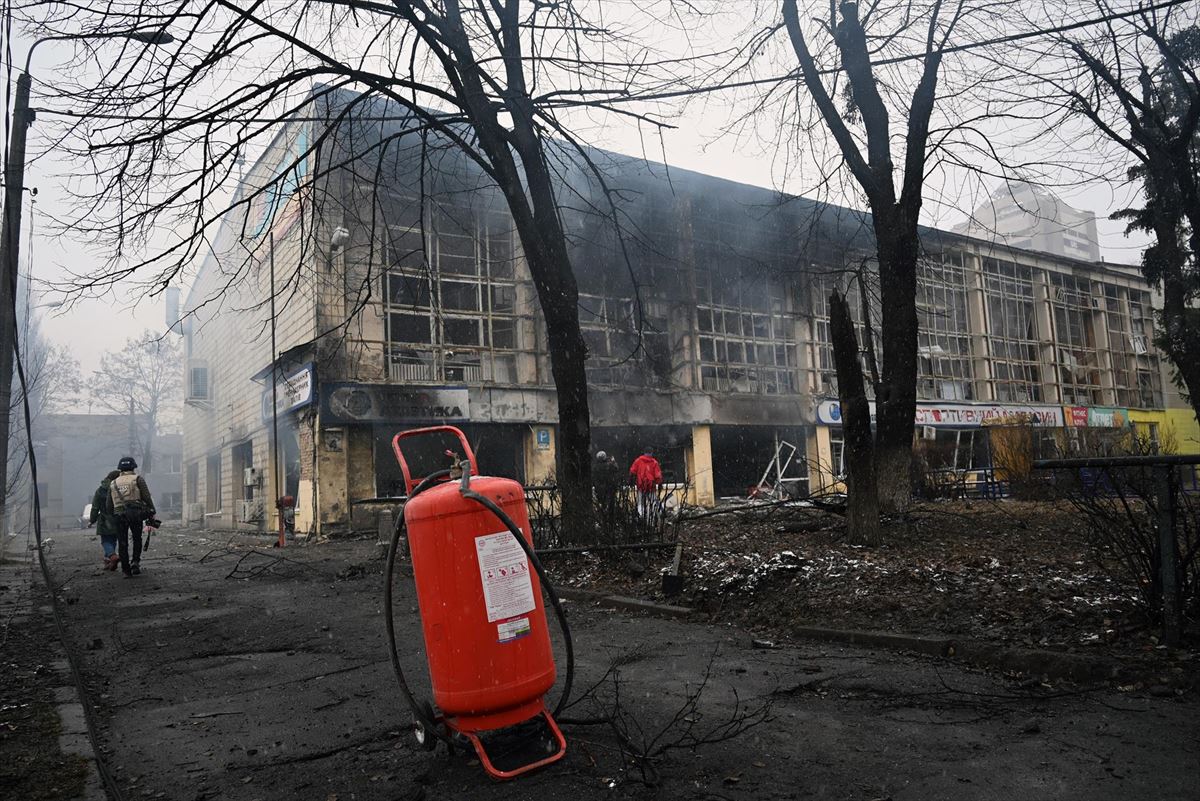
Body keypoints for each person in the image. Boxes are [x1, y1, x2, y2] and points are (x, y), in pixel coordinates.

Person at [110, 456, 156, 577]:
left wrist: (112, 516)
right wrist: (152, 510)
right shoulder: (138, 479)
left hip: (119, 515)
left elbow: (109, 504)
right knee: (137, 538)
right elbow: (146, 497)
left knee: (122, 542)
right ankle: (135, 562)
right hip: (135, 513)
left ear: (120, 468)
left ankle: (126, 570)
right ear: (133, 467)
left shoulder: (113, 483)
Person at [89, 470, 121, 571]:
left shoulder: (100, 490)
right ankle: (108, 562)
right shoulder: (118, 488)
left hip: (104, 520)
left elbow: (95, 507)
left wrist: (92, 520)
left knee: (106, 541)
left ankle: (112, 556)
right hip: (117, 518)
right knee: (113, 540)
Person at [628, 450, 663, 522]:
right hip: (651, 487)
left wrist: (630, 481)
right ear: (651, 453)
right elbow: (658, 476)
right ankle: (652, 520)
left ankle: (641, 519)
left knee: (640, 504)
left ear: (644, 453)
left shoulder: (638, 461)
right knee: (652, 504)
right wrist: (659, 484)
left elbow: (632, 471)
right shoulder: (654, 462)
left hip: (641, 486)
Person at [593, 451, 621, 526]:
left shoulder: (595, 467)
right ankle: (611, 524)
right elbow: (616, 468)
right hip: (610, 489)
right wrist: (613, 461)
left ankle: (604, 522)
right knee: (611, 507)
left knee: (603, 506)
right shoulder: (609, 465)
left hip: (600, 490)